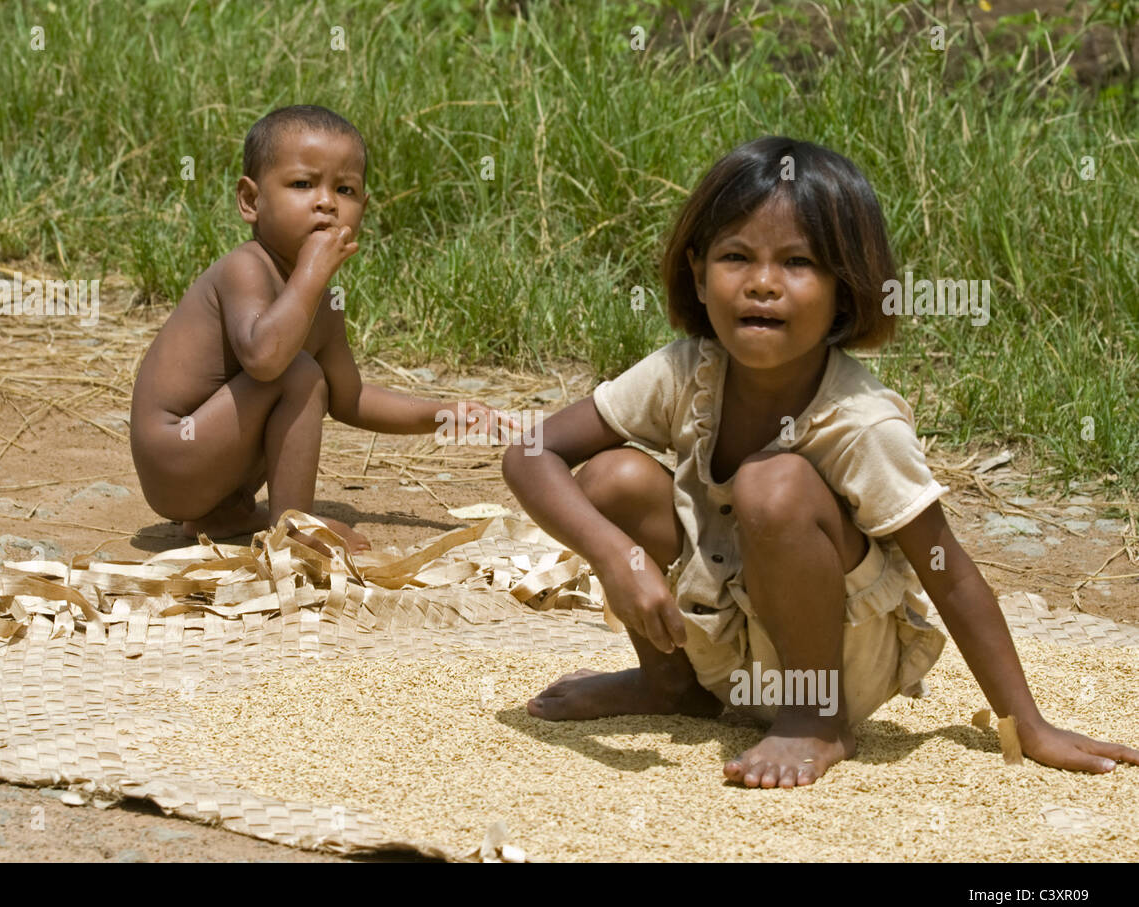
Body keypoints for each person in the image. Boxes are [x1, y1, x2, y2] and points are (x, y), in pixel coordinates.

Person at [502, 136, 1139, 788]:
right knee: (614, 479)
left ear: (845, 289)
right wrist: (618, 554)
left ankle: (816, 721)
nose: (762, 283)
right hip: (720, 639)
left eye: (798, 262)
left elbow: (947, 569)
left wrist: (1027, 724)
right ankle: (671, 685)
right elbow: (530, 452)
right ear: (697, 273)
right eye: (736, 257)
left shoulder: (862, 421)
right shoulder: (684, 371)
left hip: (841, 659)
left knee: (772, 486)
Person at [131, 105, 515, 555]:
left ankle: (225, 514)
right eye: (302, 184)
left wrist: (443, 412)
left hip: (213, 480)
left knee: (305, 374)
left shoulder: (323, 300)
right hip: (177, 456)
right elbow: (265, 357)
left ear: (364, 209)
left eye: (345, 189)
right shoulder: (245, 269)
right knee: (297, 372)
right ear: (251, 201)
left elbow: (348, 398)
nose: (327, 202)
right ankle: (291, 531)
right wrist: (310, 276)